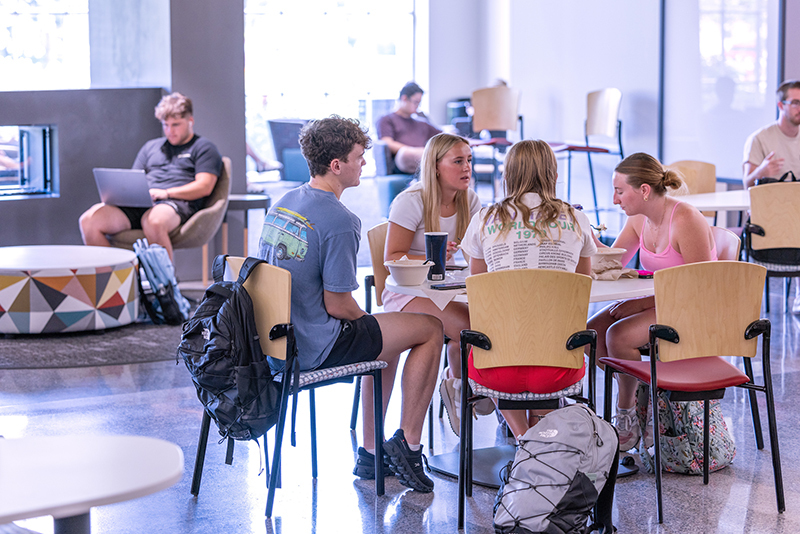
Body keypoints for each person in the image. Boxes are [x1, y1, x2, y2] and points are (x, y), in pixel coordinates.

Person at [256, 116, 443, 493]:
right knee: (429, 328)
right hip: (314, 346)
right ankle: (408, 443)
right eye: (359, 157)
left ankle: (371, 453)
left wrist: (375, 326)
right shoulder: (340, 220)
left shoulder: (284, 202)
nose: (365, 164)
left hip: (275, 344)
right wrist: (370, 321)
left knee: (386, 334)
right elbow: (340, 306)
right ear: (336, 165)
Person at [460, 140, 597, 440]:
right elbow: (580, 290)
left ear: (508, 173)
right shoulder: (577, 219)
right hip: (559, 367)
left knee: (488, 340)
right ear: (553, 173)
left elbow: (479, 294)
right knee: (554, 333)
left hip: (496, 368)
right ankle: (540, 437)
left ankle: (523, 437)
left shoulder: (484, 219)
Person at [587, 152, 717, 452]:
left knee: (617, 335)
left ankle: (627, 416)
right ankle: (639, 393)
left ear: (644, 190)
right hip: (661, 300)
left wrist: (640, 304)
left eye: (620, 191)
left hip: (692, 305)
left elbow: (700, 284)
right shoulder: (638, 220)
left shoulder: (685, 218)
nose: (616, 200)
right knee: (591, 334)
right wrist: (585, 236)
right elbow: (612, 263)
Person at [383, 132, 485, 435]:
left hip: (449, 290)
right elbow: (393, 255)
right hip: (408, 293)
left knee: (480, 325)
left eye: (469, 160)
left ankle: (457, 384)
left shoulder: (472, 201)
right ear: (436, 166)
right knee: (473, 330)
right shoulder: (411, 201)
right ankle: (468, 386)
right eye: (458, 161)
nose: (467, 167)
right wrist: (431, 257)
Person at [79, 92, 222, 261]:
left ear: (190, 121)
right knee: (89, 220)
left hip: (175, 203)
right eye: (165, 125)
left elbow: (204, 186)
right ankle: (112, 282)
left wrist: (166, 193)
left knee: (154, 221)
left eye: (176, 125)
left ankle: (165, 285)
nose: (170, 131)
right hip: (142, 203)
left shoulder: (204, 148)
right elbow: (133, 180)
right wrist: (119, 196)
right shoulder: (151, 147)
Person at [743, 79, 800, 314]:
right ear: (781, 105)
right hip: (771, 217)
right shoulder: (760, 138)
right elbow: (747, 183)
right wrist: (762, 171)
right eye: (795, 102)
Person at [377, 82, 441, 174]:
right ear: (404, 98)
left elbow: (442, 134)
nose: (417, 106)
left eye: (419, 103)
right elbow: (388, 143)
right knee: (405, 153)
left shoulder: (421, 122)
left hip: (424, 156)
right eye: (416, 102)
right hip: (401, 161)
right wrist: (413, 150)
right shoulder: (387, 119)